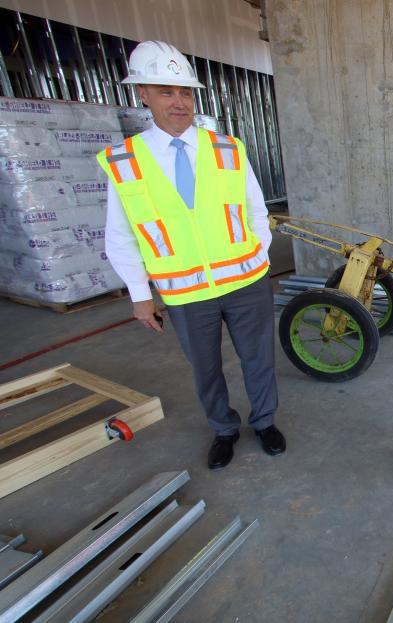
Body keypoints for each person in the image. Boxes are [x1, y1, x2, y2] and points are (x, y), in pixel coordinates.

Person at [99, 40, 285, 470]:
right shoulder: (125, 162)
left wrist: (254, 258)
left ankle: (264, 422)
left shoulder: (227, 149)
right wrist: (140, 294)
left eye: (185, 92)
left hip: (246, 283)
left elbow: (258, 212)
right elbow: (121, 235)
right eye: (165, 91)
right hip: (185, 292)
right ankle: (223, 429)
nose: (178, 102)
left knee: (259, 359)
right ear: (141, 94)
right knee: (206, 370)